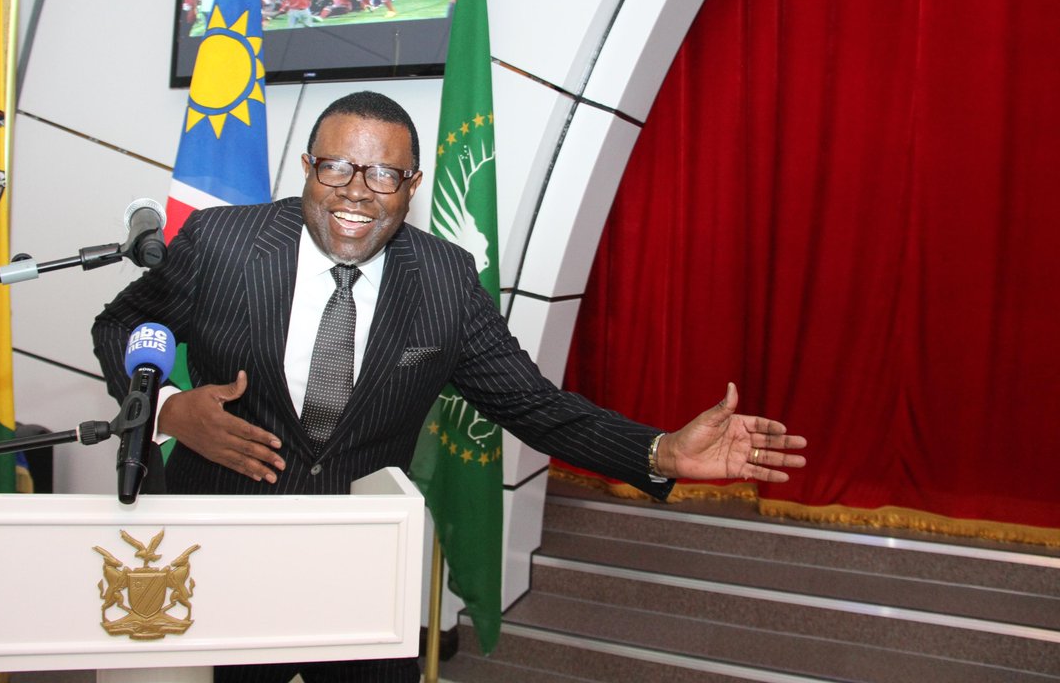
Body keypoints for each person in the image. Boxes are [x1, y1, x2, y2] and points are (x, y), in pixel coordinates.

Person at [92, 91, 807, 683]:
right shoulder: (220, 243)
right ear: (308, 169)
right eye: (336, 167)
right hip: (223, 553)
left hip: (365, 566)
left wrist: (661, 451)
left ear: (412, 187)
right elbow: (118, 325)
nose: (356, 192)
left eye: (384, 175)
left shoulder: (445, 280)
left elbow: (533, 405)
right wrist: (167, 411)